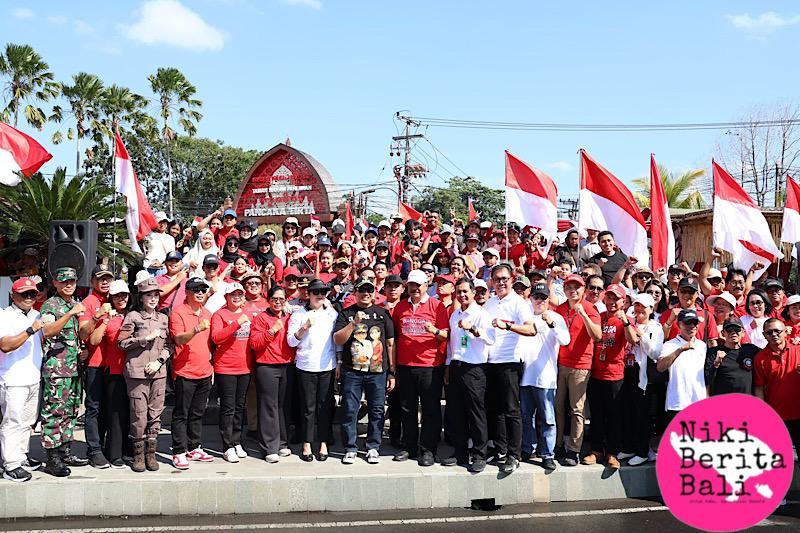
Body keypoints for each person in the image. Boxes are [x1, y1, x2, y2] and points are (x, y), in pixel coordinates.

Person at [334, 277, 396, 465]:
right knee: (350, 410)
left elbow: (390, 343)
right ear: (356, 293)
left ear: (375, 293)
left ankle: (373, 447)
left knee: (377, 410)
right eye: (362, 290)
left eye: (370, 290)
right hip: (352, 371)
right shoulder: (347, 313)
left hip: (378, 372)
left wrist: (392, 371)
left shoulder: (383, 314)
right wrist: (353, 324)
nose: (366, 293)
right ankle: (351, 448)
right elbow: (338, 339)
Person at [392, 269, 449, 466]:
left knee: (430, 409)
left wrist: (433, 330)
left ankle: (428, 450)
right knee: (407, 408)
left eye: (418, 285)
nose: (415, 288)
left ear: (426, 286)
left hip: (430, 365)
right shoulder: (400, 307)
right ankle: (409, 446)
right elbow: (397, 335)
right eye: (411, 285)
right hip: (405, 365)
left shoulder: (437, 306)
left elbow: (445, 335)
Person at [483, 263, 537, 474]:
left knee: (511, 410)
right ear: (492, 281)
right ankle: (501, 450)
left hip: (510, 362)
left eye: (505, 278)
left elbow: (531, 329)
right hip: (491, 361)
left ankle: (515, 455)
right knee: (495, 410)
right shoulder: (489, 303)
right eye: (497, 279)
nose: (501, 282)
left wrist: (508, 325)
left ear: (512, 279)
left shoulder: (519, 302)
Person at [118, 276, 173, 473]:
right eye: (148, 295)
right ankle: (138, 455)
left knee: (155, 414)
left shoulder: (163, 319)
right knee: (139, 415)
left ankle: (151, 453)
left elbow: (169, 346)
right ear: (141, 297)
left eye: (155, 295)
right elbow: (122, 343)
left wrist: (159, 362)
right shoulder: (133, 317)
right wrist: (144, 338)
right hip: (137, 373)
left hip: (158, 373)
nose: (153, 298)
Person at [441, 278, 496, 472]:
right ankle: (460, 453)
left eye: (465, 291)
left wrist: (472, 329)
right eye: (459, 292)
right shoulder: (455, 315)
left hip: (474, 368)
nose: (462, 295)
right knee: (457, 412)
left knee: (476, 413)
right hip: (456, 366)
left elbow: (491, 339)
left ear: (473, 293)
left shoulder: (481, 314)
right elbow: (452, 344)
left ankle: (480, 454)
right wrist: (448, 366)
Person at [39, 267, 88, 477]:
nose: (69, 285)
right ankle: (52, 459)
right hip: (57, 370)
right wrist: (70, 314)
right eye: (64, 281)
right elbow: (48, 331)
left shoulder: (73, 303)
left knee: (70, 412)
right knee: (54, 412)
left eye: (72, 281)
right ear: (56, 284)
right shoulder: (51, 305)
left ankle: (65, 451)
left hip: (73, 368)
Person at [583, 284, 638, 469]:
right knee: (597, 415)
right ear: (604, 299)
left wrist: (626, 322)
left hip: (615, 375)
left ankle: (613, 453)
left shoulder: (625, 319)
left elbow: (633, 340)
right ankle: (596, 450)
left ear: (623, 301)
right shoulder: (600, 317)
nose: (612, 301)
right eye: (609, 298)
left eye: (616, 298)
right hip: (596, 373)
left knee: (614, 417)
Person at [287, 279, 338, 462]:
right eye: (316, 292)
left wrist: (338, 362)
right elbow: (291, 341)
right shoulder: (298, 315)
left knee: (325, 406)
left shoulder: (332, 313)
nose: (320, 295)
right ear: (308, 294)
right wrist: (305, 326)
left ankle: (323, 442)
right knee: (308, 408)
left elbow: (336, 341)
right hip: (305, 366)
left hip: (327, 366)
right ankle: (307, 443)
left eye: (323, 292)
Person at [553, 273, 601, 467]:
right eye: (569, 287)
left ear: (583, 289)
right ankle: (557, 445)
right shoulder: (560, 308)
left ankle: (574, 450)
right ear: (564, 289)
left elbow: (596, 335)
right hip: (560, 364)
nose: (573, 290)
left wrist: (583, 314)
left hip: (580, 366)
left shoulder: (590, 309)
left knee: (576, 409)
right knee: (558, 407)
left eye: (577, 287)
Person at [520, 282, 569, 472]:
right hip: (525, 376)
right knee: (526, 417)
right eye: (536, 297)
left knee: (548, 419)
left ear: (549, 300)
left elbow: (565, 340)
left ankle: (548, 454)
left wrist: (552, 324)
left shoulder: (555, 317)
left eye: (543, 298)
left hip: (546, 377)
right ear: (530, 298)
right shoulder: (524, 318)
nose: (539, 301)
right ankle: (528, 448)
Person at [0, 278, 45, 482]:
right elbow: (5, 345)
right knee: (12, 422)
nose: (28, 298)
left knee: (27, 422)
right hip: (12, 379)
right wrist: (30, 330)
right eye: (24, 294)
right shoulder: (4, 315)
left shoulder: (37, 314)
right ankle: (10, 465)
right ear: (13, 295)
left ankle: (21, 456)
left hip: (33, 377)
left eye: (32, 294)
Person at [168, 277, 214, 470]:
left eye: (203, 289)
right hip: (185, 371)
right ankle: (178, 450)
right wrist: (195, 329)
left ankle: (194, 447)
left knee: (197, 413)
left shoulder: (208, 313)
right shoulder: (178, 313)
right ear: (186, 292)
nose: (201, 292)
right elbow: (178, 339)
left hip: (205, 371)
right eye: (196, 289)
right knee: (181, 414)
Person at [87, 279, 131, 469]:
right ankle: (113, 454)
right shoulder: (109, 316)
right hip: (113, 369)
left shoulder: (133, 314)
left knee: (129, 412)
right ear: (111, 298)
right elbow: (95, 340)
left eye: (124, 295)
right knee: (113, 412)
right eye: (117, 296)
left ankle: (127, 450)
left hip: (134, 370)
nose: (121, 299)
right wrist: (105, 320)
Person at [250, 285, 294, 462]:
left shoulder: (290, 317)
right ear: (268, 300)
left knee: (283, 405)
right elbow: (255, 344)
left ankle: (282, 443)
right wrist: (272, 330)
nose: (278, 302)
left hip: (287, 365)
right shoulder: (261, 318)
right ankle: (269, 447)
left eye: (281, 299)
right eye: (275, 299)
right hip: (267, 366)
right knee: (269, 406)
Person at [77, 264, 115, 469]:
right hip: (95, 364)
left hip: (114, 365)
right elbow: (83, 334)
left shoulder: (117, 297)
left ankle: (107, 447)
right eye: (100, 278)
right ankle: (94, 450)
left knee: (110, 408)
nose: (105, 282)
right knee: (94, 408)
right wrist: (98, 316)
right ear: (92, 282)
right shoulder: (88, 302)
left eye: (108, 278)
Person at [211, 282, 253, 463]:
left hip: (245, 367)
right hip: (226, 367)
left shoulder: (248, 314)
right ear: (226, 297)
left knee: (239, 407)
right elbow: (216, 337)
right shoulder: (219, 315)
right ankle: (227, 445)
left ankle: (236, 441)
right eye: (232, 294)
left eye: (239, 294)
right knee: (228, 408)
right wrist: (236, 323)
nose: (236, 297)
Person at [620, 293, 663, 467]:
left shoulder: (656, 328)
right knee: (628, 412)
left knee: (642, 414)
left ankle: (643, 451)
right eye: (637, 305)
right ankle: (630, 447)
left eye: (643, 307)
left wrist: (642, 335)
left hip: (642, 374)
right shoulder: (630, 323)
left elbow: (655, 353)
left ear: (651, 309)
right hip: (627, 369)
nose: (639, 310)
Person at [754, 318, 800, 452]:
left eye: (778, 331)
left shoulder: (798, 350)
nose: (774, 335)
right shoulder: (760, 358)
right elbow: (759, 388)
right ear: (764, 335)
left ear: (786, 332)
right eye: (769, 332)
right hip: (777, 417)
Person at [657, 309, 708, 426]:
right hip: (677, 402)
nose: (692, 326)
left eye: (694, 323)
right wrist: (680, 350)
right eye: (687, 323)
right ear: (679, 325)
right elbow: (660, 367)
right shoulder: (669, 345)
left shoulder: (702, 346)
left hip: (698, 401)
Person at [704, 316, 758, 396]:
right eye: (729, 330)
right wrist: (716, 363)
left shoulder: (751, 350)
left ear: (743, 333)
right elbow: (706, 379)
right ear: (723, 333)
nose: (733, 332)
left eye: (737, 330)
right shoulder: (714, 352)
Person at [143, 211, 175, 276]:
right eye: (160, 222)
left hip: (163, 268)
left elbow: (171, 255)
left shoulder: (170, 238)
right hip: (148, 267)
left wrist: (162, 263)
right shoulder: (148, 236)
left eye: (164, 222)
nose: (162, 224)